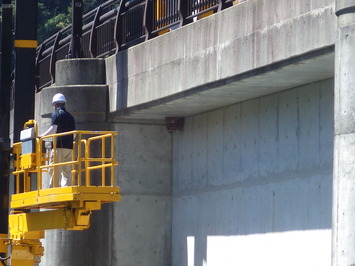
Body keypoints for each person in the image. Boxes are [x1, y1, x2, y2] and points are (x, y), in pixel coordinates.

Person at [40, 93, 76, 187]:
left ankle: (53, 189)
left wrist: (41, 136)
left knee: (55, 168)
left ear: (55, 104)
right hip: (69, 147)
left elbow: (53, 129)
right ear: (64, 103)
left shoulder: (56, 113)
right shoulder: (70, 117)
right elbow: (74, 133)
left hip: (59, 147)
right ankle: (67, 188)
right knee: (67, 170)